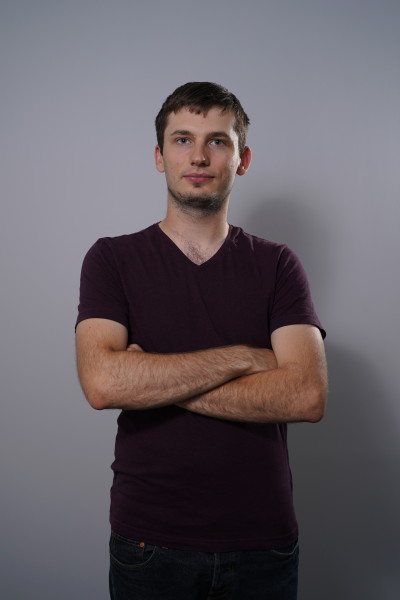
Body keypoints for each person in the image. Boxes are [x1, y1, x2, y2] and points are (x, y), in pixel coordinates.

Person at [75, 82, 327, 600]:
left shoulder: (278, 264)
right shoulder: (112, 259)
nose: (198, 156)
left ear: (242, 159)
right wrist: (244, 357)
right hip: (149, 541)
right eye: (182, 139)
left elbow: (306, 395)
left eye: (217, 141)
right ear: (159, 157)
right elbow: (102, 384)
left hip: (263, 542)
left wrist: (149, 378)